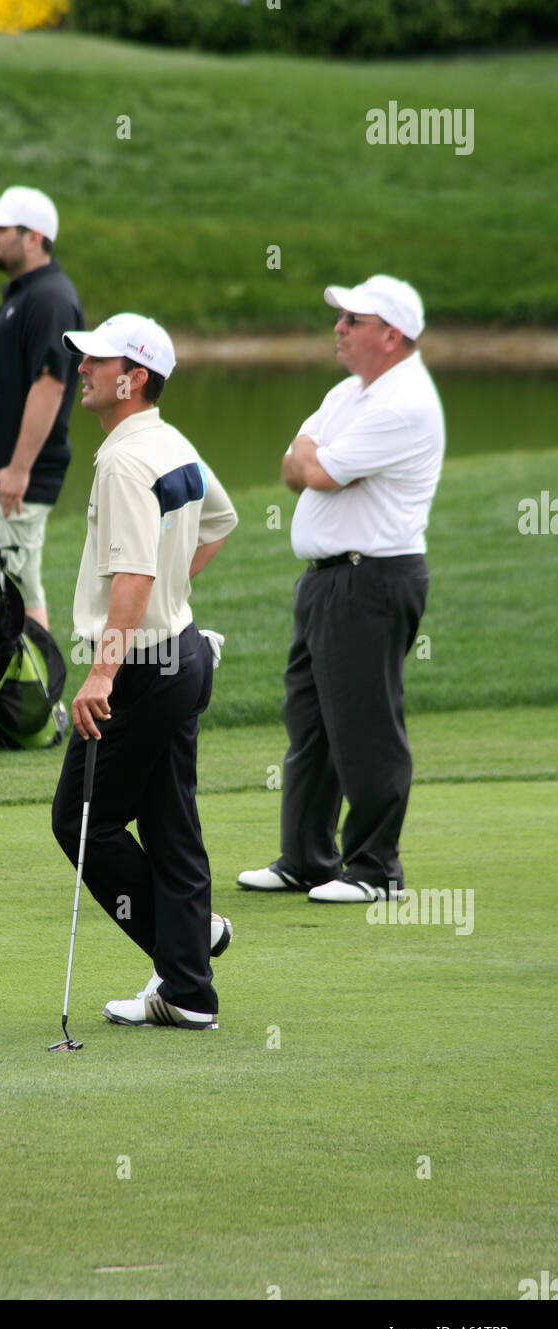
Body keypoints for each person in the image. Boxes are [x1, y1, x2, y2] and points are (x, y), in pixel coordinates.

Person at [51, 314, 238, 1030]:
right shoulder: (171, 441)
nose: (82, 370)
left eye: (95, 361)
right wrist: (169, 594)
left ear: (132, 378)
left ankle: (184, 954)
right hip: (181, 652)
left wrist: (100, 675)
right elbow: (220, 522)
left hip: (140, 667)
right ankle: (189, 986)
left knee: (81, 823)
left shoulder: (125, 459)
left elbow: (131, 574)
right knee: (170, 825)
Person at [238, 275, 444, 904]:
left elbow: (317, 469)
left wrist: (316, 460)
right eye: (341, 318)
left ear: (392, 334)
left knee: (364, 724)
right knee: (311, 722)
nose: (339, 328)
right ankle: (307, 859)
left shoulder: (401, 401)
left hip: (373, 579)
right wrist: (314, 461)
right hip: (329, 580)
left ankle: (377, 870)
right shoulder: (351, 392)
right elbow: (291, 467)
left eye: (353, 319)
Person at [0, 186, 84, 630]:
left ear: (33, 238)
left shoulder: (49, 298)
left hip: (11, 479)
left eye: (0, 228)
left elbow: (50, 385)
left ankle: (38, 698)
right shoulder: (26, 294)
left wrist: (19, 469)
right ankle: (11, 696)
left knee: (12, 591)